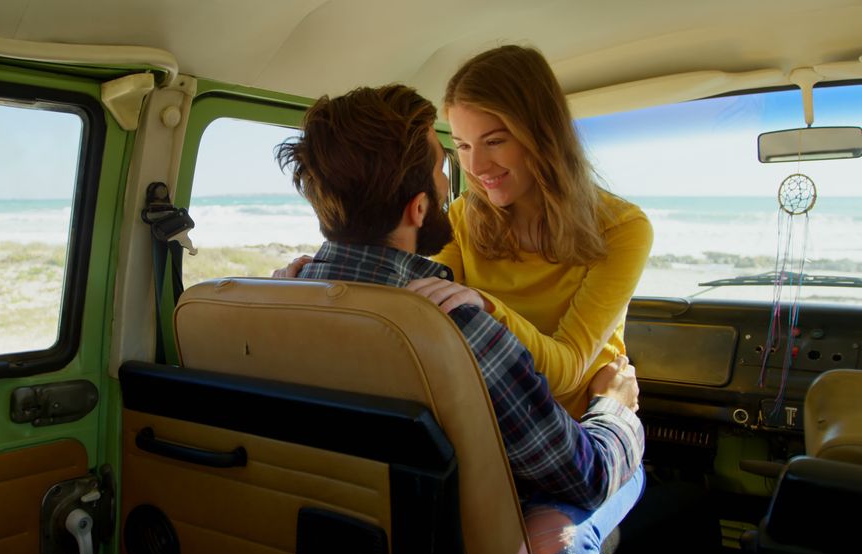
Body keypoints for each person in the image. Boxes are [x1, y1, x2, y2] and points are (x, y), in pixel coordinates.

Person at [275, 83, 644, 554]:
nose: (459, 180)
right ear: (419, 208)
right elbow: (585, 477)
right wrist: (615, 410)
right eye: (444, 165)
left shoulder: (276, 298)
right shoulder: (460, 331)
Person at [277, 45, 654, 421]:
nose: (476, 166)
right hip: (483, 420)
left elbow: (566, 371)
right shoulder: (462, 216)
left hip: (583, 426)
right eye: (462, 146)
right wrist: (312, 291)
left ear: (542, 136)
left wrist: (487, 307)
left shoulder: (623, 229)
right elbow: (426, 310)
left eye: (494, 141)